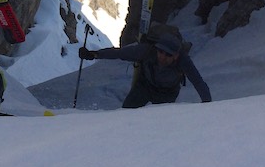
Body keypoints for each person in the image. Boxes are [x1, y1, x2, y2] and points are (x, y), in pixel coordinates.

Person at [79, 29, 211, 108]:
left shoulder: (184, 61)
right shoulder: (146, 51)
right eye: (160, 51)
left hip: (167, 93)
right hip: (145, 86)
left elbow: (198, 82)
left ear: (176, 55)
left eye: (168, 54)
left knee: (158, 123)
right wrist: (94, 54)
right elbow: (120, 53)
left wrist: (208, 106)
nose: (162, 57)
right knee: (126, 114)